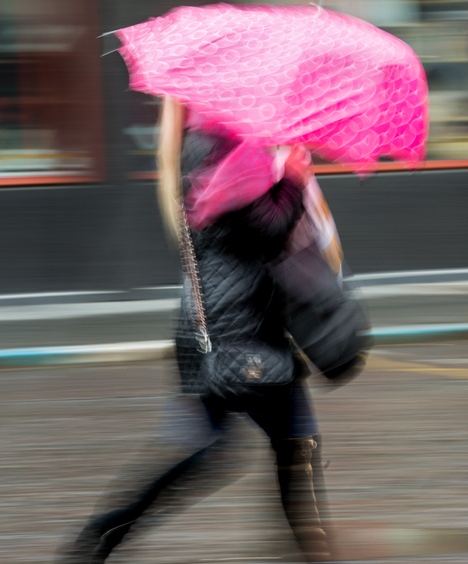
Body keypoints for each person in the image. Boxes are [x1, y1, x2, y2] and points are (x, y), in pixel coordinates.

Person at [56, 97, 334, 563]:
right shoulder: (234, 152)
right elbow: (264, 229)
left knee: (234, 444)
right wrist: (293, 177)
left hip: (214, 322)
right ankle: (312, 550)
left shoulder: (201, 144)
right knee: (292, 439)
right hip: (243, 328)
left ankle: (107, 531)